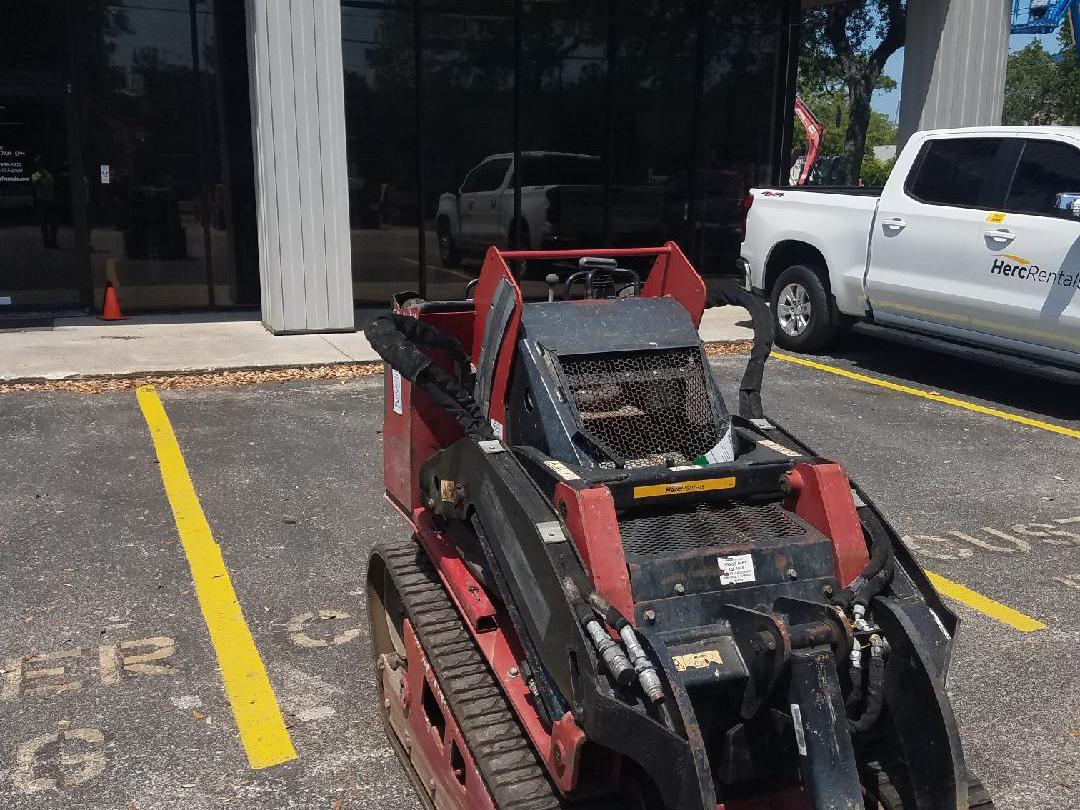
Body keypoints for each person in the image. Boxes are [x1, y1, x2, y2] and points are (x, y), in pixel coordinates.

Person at [30, 156, 59, 248]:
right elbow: (35, 184)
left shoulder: (50, 174)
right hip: (42, 201)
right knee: (44, 223)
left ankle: (53, 240)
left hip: (51, 200)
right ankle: (47, 242)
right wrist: (41, 174)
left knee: (53, 222)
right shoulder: (35, 175)